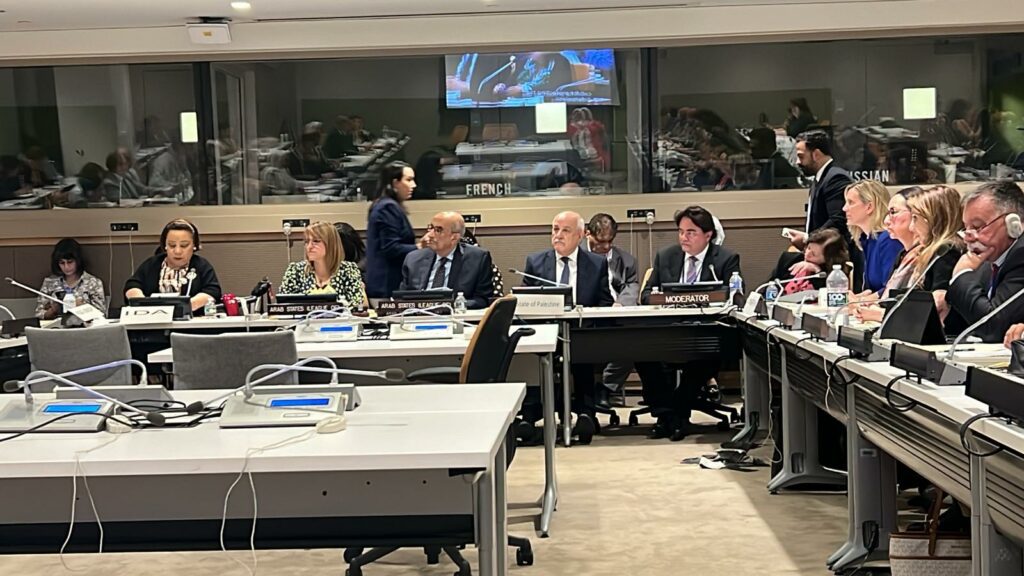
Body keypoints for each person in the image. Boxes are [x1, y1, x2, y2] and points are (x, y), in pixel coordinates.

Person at [636, 206, 741, 441]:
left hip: (705, 331)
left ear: (708, 235)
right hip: (669, 329)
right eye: (681, 231)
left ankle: (673, 414)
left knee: (707, 356)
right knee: (642, 352)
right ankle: (669, 416)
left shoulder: (725, 259)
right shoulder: (666, 256)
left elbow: (735, 297)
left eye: (691, 232)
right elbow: (645, 295)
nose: (684, 237)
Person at [522, 211, 613, 444]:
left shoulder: (596, 263)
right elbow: (524, 304)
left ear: (581, 235)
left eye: (565, 230)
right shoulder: (535, 262)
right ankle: (529, 418)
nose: (558, 235)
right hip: (544, 331)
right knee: (535, 356)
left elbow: (605, 303)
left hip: (580, 332)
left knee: (580, 353)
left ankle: (585, 415)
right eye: (555, 229)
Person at [856, 186, 965, 328]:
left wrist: (881, 314)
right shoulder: (925, 252)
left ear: (932, 219)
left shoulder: (946, 251)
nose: (912, 227)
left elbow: (933, 307)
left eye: (915, 218)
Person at [934, 181, 1024, 343]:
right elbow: (972, 318)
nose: (969, 237)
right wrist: (945, 304)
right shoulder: (986, 260)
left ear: (1014, 224)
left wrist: (961, 276)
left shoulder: (1021, 256)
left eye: (977, 227)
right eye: (966, 228)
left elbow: (992, 326)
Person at [585, 213, 639, 409]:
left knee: (637, 343)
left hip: (618, 318)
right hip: (588, 318)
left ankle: (606, 388)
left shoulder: (627, 260)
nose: (606, 247)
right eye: (601, 241)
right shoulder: (578, 258)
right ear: (587, 234)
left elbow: (632, 287)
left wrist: (620, 305)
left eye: (610, 241)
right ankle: (586, 393)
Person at [399, 212, 495, 310]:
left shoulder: (477, 259)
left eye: (438, 230)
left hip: (457, 317)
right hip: (417, 318)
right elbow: (401, 299)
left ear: (454, 237)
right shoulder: (413, 259)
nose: (430, 235)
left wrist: (450, 306)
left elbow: (483, 299)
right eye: (430, 228)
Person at [124, 219, 221, 313]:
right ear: (165, 245)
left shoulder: (201, 265)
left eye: (184, 245)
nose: (177, 251)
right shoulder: (152, 264)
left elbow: (212, 291)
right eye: (172, 245)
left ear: (194, 246)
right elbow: (132, 286)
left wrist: (188, 306)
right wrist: (143, 304)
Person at [786, 131, 854, 250]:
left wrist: (808, 238)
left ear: (816, 154)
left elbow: (837, 221)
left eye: (801, 156)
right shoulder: (821, 178)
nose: (797, 162)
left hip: (834, 254)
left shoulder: (836, 178)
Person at [279, 221, 366, 308]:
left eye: (316, 241)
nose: (309, 247)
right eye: (306, 241)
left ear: (331, 244)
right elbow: (282, 306)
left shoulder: (349, 270)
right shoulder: (295, 271)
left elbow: (358, 306)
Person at [365, 162, 418, 299]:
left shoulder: (384, 205)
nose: (414, 185)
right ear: (395, 183)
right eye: (409, 180)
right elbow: (390, 248)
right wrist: (420, 247)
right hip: (387, 285)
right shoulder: (387, 207)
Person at [842, 180, 902, 295]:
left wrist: (863, 300)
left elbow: (893, 289)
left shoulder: (888, 239)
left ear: (869, 207)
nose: (844, 208)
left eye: (850, 202)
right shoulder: (867, 240)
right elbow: (871, 289)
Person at [35, 238, 106, 320]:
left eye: (70, 262)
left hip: (84, 329)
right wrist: (53, 311)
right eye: (62, 263)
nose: (66, 267)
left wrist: (82, 308)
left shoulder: (93, 283)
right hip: (55, 329)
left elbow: (101, 314)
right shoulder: (50, 283)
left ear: (78, 261)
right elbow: (39, 313)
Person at [774, 228, 850, 295]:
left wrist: (817, 271)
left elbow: (829, 297)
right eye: (808, 248)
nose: (807, 254)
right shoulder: (789, 259)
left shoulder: (834, 275)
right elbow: (769, 288)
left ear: (827, 259)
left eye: (813, 254)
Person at [98, 148, 169, 203]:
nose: (126, 166)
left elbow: (141, 188)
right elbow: (121, 202)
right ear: (114, 165)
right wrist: (141, 200)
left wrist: (160, 191)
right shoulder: (109, 182)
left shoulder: (127, 176)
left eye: (126, 163)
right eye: (122, 164)